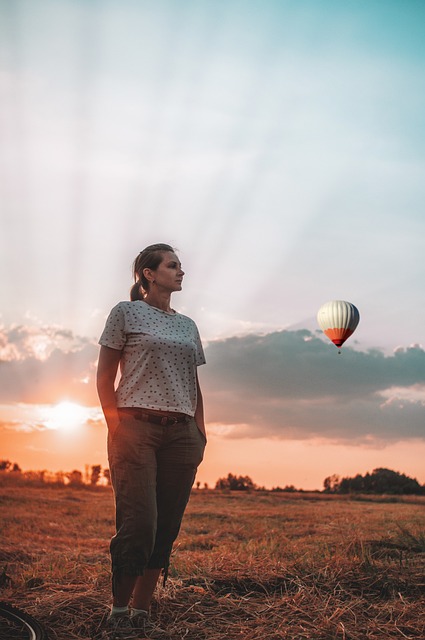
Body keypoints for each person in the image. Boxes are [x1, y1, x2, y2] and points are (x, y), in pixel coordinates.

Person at [96, 243, 207, 639]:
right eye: (172, 265)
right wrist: (116, 425)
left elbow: (192, 384)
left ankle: (142, 613)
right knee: (139, 522)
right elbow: (104, 376)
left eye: (180, 266)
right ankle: (118, 613)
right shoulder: (125, 313)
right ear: (148, 273)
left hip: (182, 435)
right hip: (135, 428)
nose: (181, 271)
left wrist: (200, 432)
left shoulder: (188, 325)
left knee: (167, 526)